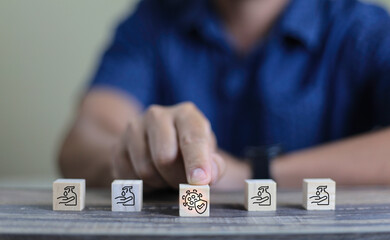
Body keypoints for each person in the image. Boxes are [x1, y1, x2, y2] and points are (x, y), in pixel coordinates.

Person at [58, 0, 390, 189]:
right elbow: (82, 141)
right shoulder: (150, 22)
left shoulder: (363, 28)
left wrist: (248, 175)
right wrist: (135, 153)